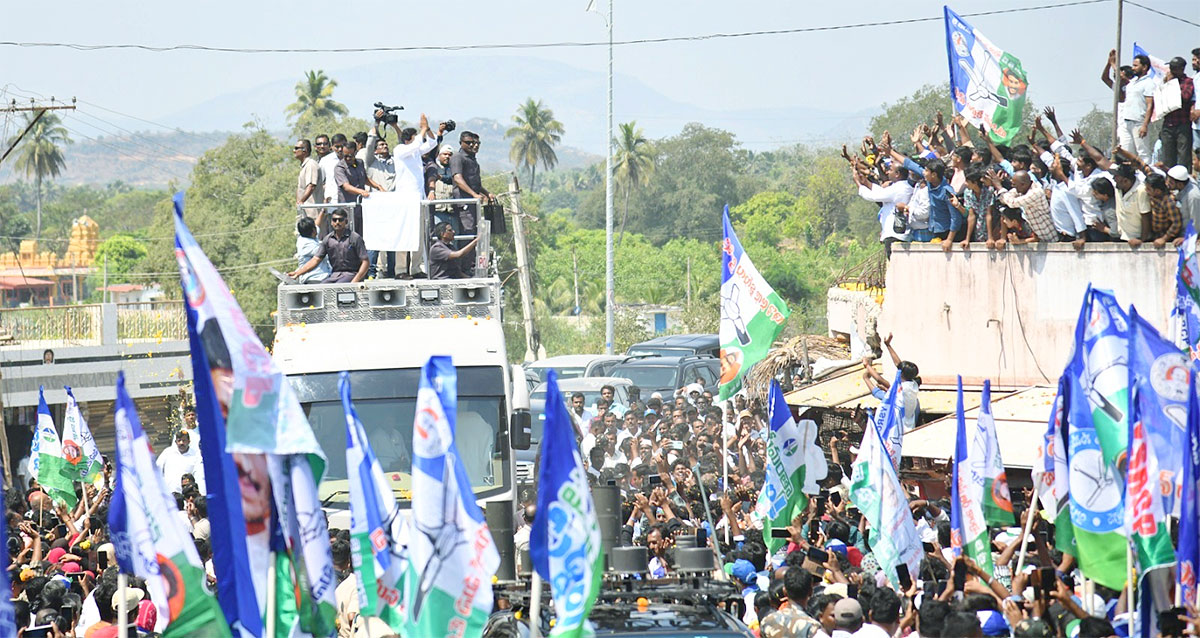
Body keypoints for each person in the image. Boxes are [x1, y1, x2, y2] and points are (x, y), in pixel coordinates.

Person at [450, 131, 492, 273]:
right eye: (469, 143)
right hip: (464, 203)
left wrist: (486, 193)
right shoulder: (457, 157)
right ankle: (464, 268)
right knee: (467, 235)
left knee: (474, 234)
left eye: (476, 143)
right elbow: (458, 179)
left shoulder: (473, 160)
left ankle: (471, 265)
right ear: (461, 142)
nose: (474, 146)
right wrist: (474, 194)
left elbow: (475, 183)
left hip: (473, 204)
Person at [288, 210, 369, 283]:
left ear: (346, 221)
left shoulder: (354, 238)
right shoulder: (327, 240)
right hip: (335, 275)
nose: (337, 222)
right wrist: (297, 273)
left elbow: (365, 261)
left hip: (351, 274)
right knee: (322, 289)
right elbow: (316, 260)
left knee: (337, 288)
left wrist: (356, 279)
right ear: (331, 222)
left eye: (340, 220)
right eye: (334, 220)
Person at [862, 333, 920, 431]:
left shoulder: (902, 389)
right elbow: (898, 364)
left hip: (900, 431)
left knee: (880, 395)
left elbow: (880, 381)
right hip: (909, 426)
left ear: (901, 374)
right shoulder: (912, 384)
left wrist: (867, 368)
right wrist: (888, 345)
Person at [1109, 51, 1156, 163]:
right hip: (1126, 122)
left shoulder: (1148, 83)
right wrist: (1113, 64)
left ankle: (1146, 176)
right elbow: (1120, 77)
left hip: (1138, 122)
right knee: (1126, 152)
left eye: (1136, 66)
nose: (1133, 68)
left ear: (1144, 67)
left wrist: (1145, 124)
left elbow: (1150, 105)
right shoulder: (1132, 83)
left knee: (1143, 152)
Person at [1153, 57, 1196, 171]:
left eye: (1174, 69)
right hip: (1168, 124)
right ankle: (1169, 181)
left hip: (1182, 123)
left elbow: (1184, 97)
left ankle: (1184, 180)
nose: (1171, 71)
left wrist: (1173, 84)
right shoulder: (1165, 82)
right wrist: (1166, 83)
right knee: (1167, 157)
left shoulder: (1188, 82)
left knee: (1183, 156)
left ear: (1181, 69)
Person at [293, 217, 331, 284]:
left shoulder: (307, 235)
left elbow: (317, 226)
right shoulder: (307, 245)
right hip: (315, 278)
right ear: (313, 230)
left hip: (323, 277)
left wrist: (322, 212)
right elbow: (326, 254)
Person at [1167, 164, 1200, 235]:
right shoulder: (1183, 181)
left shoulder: (1193, 196)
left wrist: (1186, 238)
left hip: (1187, 235)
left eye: (1171, 182)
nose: (1167, 183)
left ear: (1179, 184)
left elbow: (1196, 223)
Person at [294, 138, 321, 221]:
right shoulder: (305, 166)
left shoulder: (311, 165)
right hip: (305, 212)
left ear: (304, 150)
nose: (294, 151)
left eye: (296, 148)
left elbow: (311, 186)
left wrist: (301, 202)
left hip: (313, 212)